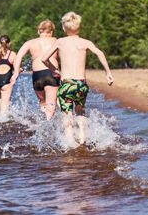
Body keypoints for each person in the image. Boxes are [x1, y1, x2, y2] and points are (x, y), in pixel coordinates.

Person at [41, 12, 114, 145]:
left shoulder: (60, 42)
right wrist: (107, 72)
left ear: (64, 28)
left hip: (66, 84)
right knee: (80, 110)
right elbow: (99, 53)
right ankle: (82, 138)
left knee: (67, 114)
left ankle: (69, 143)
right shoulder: (85, 42)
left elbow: (44, 58)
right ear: (79, 27)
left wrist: (54, 70)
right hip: (81, 84)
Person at [10, 20, 61, 120]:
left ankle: (44, 124)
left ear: (39, 31)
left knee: (43, 103)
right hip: (51, 73)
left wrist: (16, 72)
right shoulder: (57, 41)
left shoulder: (30, 43)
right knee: (52, 105)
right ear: (51, 32)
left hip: (37, 76)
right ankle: (49, 127)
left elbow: (18, 56)